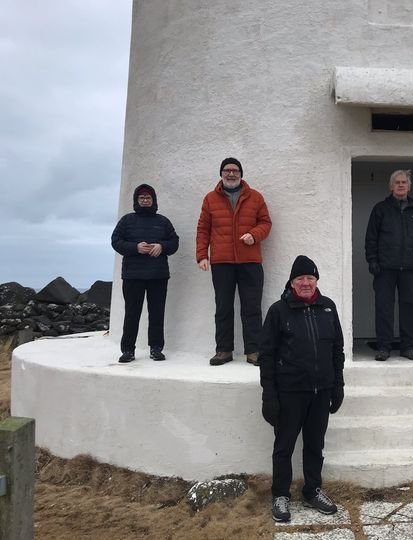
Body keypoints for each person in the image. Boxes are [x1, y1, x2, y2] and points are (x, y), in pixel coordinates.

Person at [259, 255, 345, 523]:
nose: (306, 283)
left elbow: (337, 350)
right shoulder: (278, 311)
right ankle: (281, 495)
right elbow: (267, 356)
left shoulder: (328, 307)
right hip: (290, 394)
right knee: (284, 447)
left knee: (315, 446)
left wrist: (338, 384)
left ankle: (312, 490)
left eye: (310, 278)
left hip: (321, 393)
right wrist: (269, 395)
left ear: (316, 280)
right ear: (292, 282)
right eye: (300, 279)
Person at [196, 157, 272, 366]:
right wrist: (202, 255)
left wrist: (254, 235)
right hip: (221, 262)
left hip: (250, 262)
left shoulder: (255, 197)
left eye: (235, 170)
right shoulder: (210, 199)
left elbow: (265, 223)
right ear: (221, 174)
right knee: (223, 307)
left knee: (252, 307)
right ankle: (223, 350)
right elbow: (203, 228)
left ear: (241, 173)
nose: (231, 174)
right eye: (227, 170)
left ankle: (254, 351)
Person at [364, 170, 413, 361]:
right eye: (397, 182)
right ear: (391, 186)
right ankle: (383, 347)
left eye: (404, 183)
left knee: (410, 308)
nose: (401, 185)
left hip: (410, 268)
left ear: (409, 187)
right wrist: (373, 261)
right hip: (385, 268)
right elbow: (371, 238)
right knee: (384, 308)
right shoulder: (380, 209)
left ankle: (408, 347)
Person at [111, 184, 179, 363]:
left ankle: (156, 348)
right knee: (132, 314)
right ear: (136, 200)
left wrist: (161, 246)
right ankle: (128, 350)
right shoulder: (126, 221)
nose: (145, 201)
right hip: (133, 276)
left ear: (153, 200)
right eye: (142, 198)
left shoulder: (163, 221)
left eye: (148, 198)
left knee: (157, 313)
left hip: (158, 275)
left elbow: (174, 242)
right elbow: (116, 241)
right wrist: (135, 247)